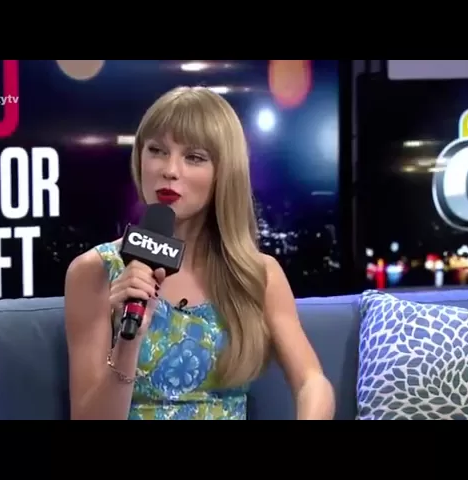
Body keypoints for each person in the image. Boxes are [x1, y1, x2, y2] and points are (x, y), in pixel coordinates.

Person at [65, 86, 335, 420]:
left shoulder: (256, 274)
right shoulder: (96, 271)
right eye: (157, 150)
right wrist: (129, 343)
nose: (170, 170)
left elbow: (312, 382)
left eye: (193, 157)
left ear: (224, 172)